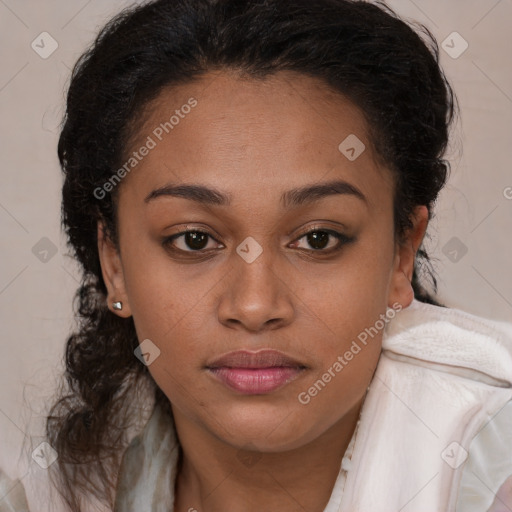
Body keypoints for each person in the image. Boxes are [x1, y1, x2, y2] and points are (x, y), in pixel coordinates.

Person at [1, 0, 511, 511]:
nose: (254, 305)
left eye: (318, 239)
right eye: (194, 240)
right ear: (114, 265)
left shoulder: (492, 468)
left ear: (403, 252)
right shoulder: (61, 490)